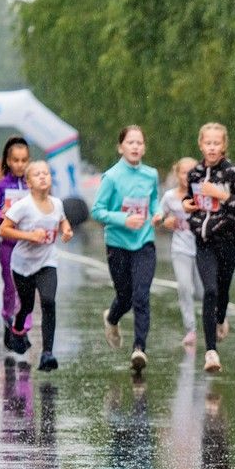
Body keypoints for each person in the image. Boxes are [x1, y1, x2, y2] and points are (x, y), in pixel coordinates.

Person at [183, 122, 235, 373]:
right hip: (203, 242)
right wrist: (187, 205)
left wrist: (220, 194)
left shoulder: (234, 173)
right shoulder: (194, 173)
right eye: (208, 143)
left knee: (222, 292)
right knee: (210, 291)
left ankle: (221, 318)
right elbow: (189, 199)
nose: (212, 147)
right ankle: (211, 352)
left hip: (226, 241)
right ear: (201, 145)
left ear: (224, 146)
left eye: (216, 143)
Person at [92, 125, 161, 373]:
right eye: (130, 142)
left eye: (139, 143)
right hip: (118, 244)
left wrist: (157, 214)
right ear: (121, 147)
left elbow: (154, 200)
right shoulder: (111, 177)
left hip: (144, 242)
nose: (135, 147)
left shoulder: (151, 174)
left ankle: (139, 349)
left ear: (144, 148)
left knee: (141, 296)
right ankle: (112, 318)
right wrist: (124, 219)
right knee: (125, 297)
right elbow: (97, 211)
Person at [0, 161, 73, 371]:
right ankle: (17, 327)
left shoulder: (57, 203)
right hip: (22, 265)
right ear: (28, 182)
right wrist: (29, 235)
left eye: (46, 173)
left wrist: (66, 230)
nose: (42, 177)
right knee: (27, 306)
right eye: (37, 174)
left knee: (48, 301)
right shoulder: (23, 206)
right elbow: (3, 230)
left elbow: (62, 220)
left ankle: (47, 353)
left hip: (47, 261)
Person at [0, 137, 32, 341]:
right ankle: (7, 315)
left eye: (24, 160)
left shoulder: (32, 184)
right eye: (16, 160)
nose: (20, 165)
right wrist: (2, 215)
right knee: (11, 284)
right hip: (7, 243)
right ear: (8, 161)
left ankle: (24, 327)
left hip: (29, 243)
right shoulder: (2, 185)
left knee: (28, 285)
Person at [159, 157, 203, 347]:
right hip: (181, 249)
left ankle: (218, 317)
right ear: (177, 174)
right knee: (185, 287)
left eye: (192, 172)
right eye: (184, 172)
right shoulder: (170, 197)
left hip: (202, 249)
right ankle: (190, 329)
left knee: (203, 292)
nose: (188, 176)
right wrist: (165, 221)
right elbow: (159, 216)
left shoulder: (204, 194)